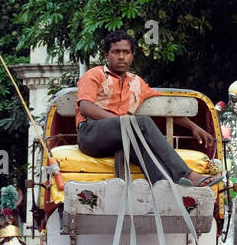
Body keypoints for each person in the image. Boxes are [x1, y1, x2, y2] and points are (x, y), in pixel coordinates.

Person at [76, 30, 222, 187]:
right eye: (115, 52)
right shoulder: (94, 74)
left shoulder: (137, 82)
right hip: (91, 134)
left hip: (122, 138)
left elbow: (167, 108)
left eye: (126, 52)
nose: (121, 57)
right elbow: (86, 107)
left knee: (144, 148)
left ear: (132, 56)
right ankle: (187, 174)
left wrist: (193, 126)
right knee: (142, 122)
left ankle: (164, 192)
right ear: (106, 54)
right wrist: (124, 122)